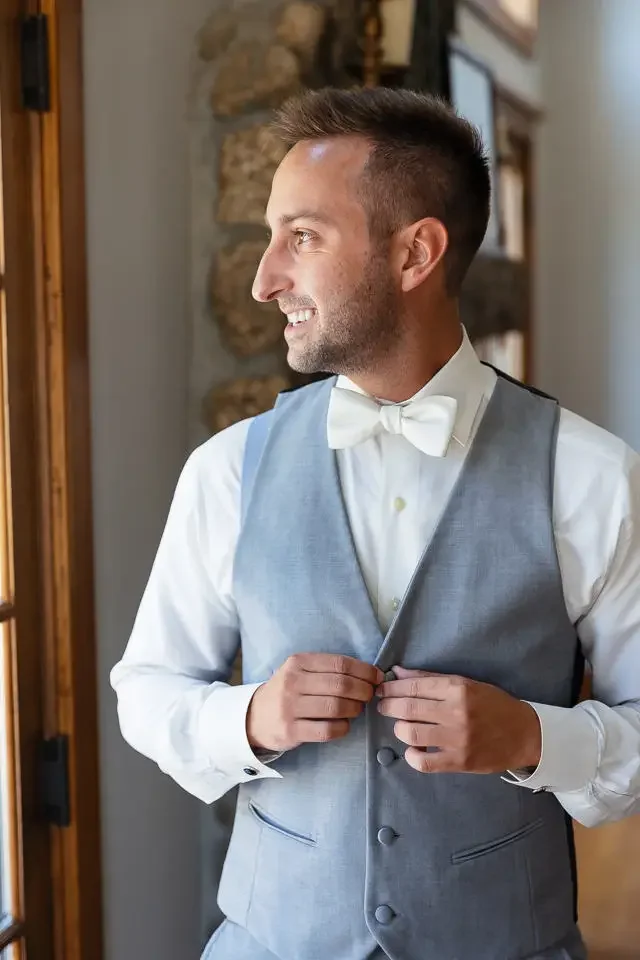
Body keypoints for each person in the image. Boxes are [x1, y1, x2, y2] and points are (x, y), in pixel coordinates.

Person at [111, 87, 640, 960]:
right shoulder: (227, 471)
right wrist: (249, 718)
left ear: (415, 253)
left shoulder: (591, 477)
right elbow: (145, 689)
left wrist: (533, 736)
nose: (264, 276)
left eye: (303, 237)